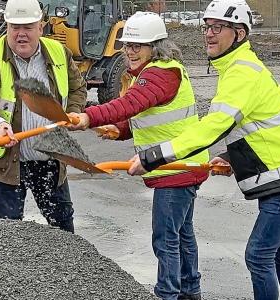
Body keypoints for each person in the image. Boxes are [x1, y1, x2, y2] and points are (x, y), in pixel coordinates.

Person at [127, 1, 280, 299]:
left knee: (258, 255)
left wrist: (153, 156)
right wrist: (232, 156)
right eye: (207, 27)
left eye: (218, 27)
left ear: (240, 34)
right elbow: (262, 125)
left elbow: (213, 127)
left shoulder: (241, 73)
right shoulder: (236, 68)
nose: (209, 34)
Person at [68, 11, 206, 300]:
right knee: (182, 235)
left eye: (136, 46)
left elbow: (129, 105)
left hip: (175, 168)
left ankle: (168, 293)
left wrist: (87, 117)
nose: (129, 51)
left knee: (166, 238)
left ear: (155, 47)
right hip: (181, 165)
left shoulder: (161, 73)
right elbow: (145, 115)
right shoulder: (152, 72)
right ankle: (190, 290)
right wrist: (119, 131)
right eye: (127, 44)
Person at [0, 0, 87, 233]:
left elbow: (77, 88)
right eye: (15, 27)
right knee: (9, 233)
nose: (21, 34)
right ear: (7, 27)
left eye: (28, 27)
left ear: (40, 27)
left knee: (63, 229)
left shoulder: (59, 52)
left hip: (50, 159)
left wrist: (73, 110)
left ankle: (65, 270)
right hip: (5, 162)